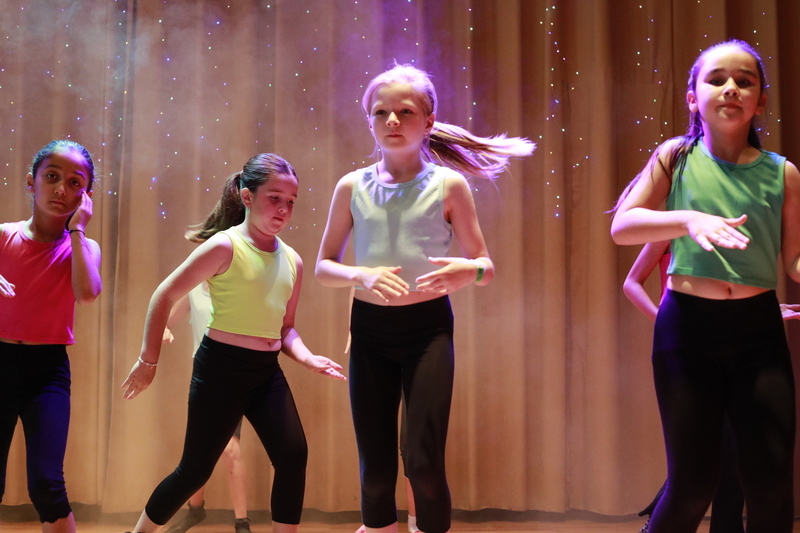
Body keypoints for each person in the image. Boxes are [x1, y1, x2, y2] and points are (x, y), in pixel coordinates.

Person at [315, 63, 534, 533]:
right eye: (381, 112)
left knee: (424, 466)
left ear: (428, 121)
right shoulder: (351, 186)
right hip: (370, 333)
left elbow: (486, 266)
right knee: (376, 474)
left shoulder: (448, 186)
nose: (392, 120)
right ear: (369, 121)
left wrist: (469, 271)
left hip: (427, 333)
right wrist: (361, 275)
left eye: (405, 112)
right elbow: (323, 266)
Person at [611, 39, 798, 532]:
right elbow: (622, 226)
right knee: (694, 485)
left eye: (744, 81)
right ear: (693, 98)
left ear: (760, 101)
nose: (731, 88)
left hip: (758, 333)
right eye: (717, 79)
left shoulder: (783, 173)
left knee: (771, 486)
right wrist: (689, 219)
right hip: (688, 330)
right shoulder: (675, 156)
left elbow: (794, 262)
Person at [121, 153, 346, 533]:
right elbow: (164, 295)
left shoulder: (292, 260)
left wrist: (308, 358)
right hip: (220, 371)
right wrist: (148, 361)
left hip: (266, 373)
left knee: (293, 456)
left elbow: (285, 328)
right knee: (195, 471)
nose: (283, 209)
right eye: (274, 198)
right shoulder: (224, 246)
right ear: (246, 197)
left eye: (291, 201)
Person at [0, 140, 102, 533]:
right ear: (32, 181)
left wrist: (77, 230)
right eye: (52, 177)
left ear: (85, 196)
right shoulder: (4, 236)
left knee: (46, 483)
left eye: (75, 183)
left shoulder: (84, 247)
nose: (61, 189)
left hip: (47, 372)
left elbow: (87, 294)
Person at [623, 241, 744, 533]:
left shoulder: (733, 229)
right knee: (706, 451)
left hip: (732, 344)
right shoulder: (672, 228)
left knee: (732, 451)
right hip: (684, 345)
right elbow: (632, 282)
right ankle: (660, 519)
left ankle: (665, 515)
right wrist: (663, 320)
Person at [161, 282, 251, 533]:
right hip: (203, 378)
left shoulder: (236, 288)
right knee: (199, 450)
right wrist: (165, 330)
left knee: (230, 449)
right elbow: (166, 322)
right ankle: (195, 510)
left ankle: (242, 523)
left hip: (233, 378)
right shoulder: (193, 292)